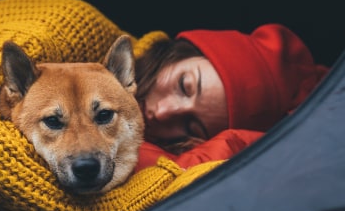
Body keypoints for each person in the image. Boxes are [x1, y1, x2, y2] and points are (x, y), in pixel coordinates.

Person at [131, 24, 330, 171]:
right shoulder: (105, 41)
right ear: (177, 54)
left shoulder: (167, 167)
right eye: (184, 85)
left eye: (190, 127)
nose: (162, 112)